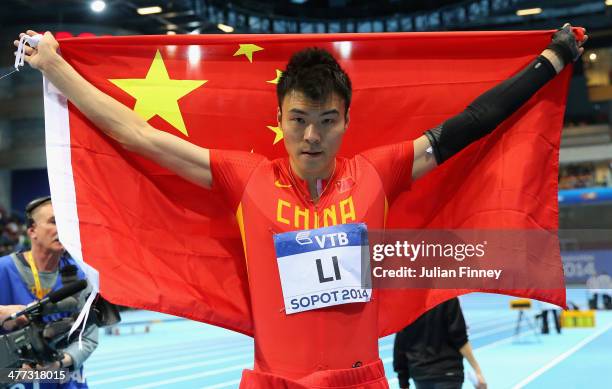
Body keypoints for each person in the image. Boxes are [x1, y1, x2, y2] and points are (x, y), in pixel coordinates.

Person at [13, 24, 586, 388]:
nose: (312, 135)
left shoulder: (378, 172)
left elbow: (471, 126)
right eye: (299, 119)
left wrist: (552, 61)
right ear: (282, 119)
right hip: (273, 381)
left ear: (346, 122)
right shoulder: (246, 177)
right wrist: (56, 67)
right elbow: (139, 135)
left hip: (360, 381)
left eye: (327, 121)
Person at [0, 197, 98, 389]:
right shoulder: (3, 270)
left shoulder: (80, 276)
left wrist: (58, 364)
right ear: (32, 231)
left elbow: (88, 338)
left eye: (65, 222)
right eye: (54, 222)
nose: (62, 228)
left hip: (65, 380)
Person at [393, 298, 486, 389]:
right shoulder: (448, 297)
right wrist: (477, 371)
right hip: (447, 372)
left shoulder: (408, 301)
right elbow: (459, 336)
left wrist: (403, 382)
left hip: (421, 373)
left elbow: (400, 343)